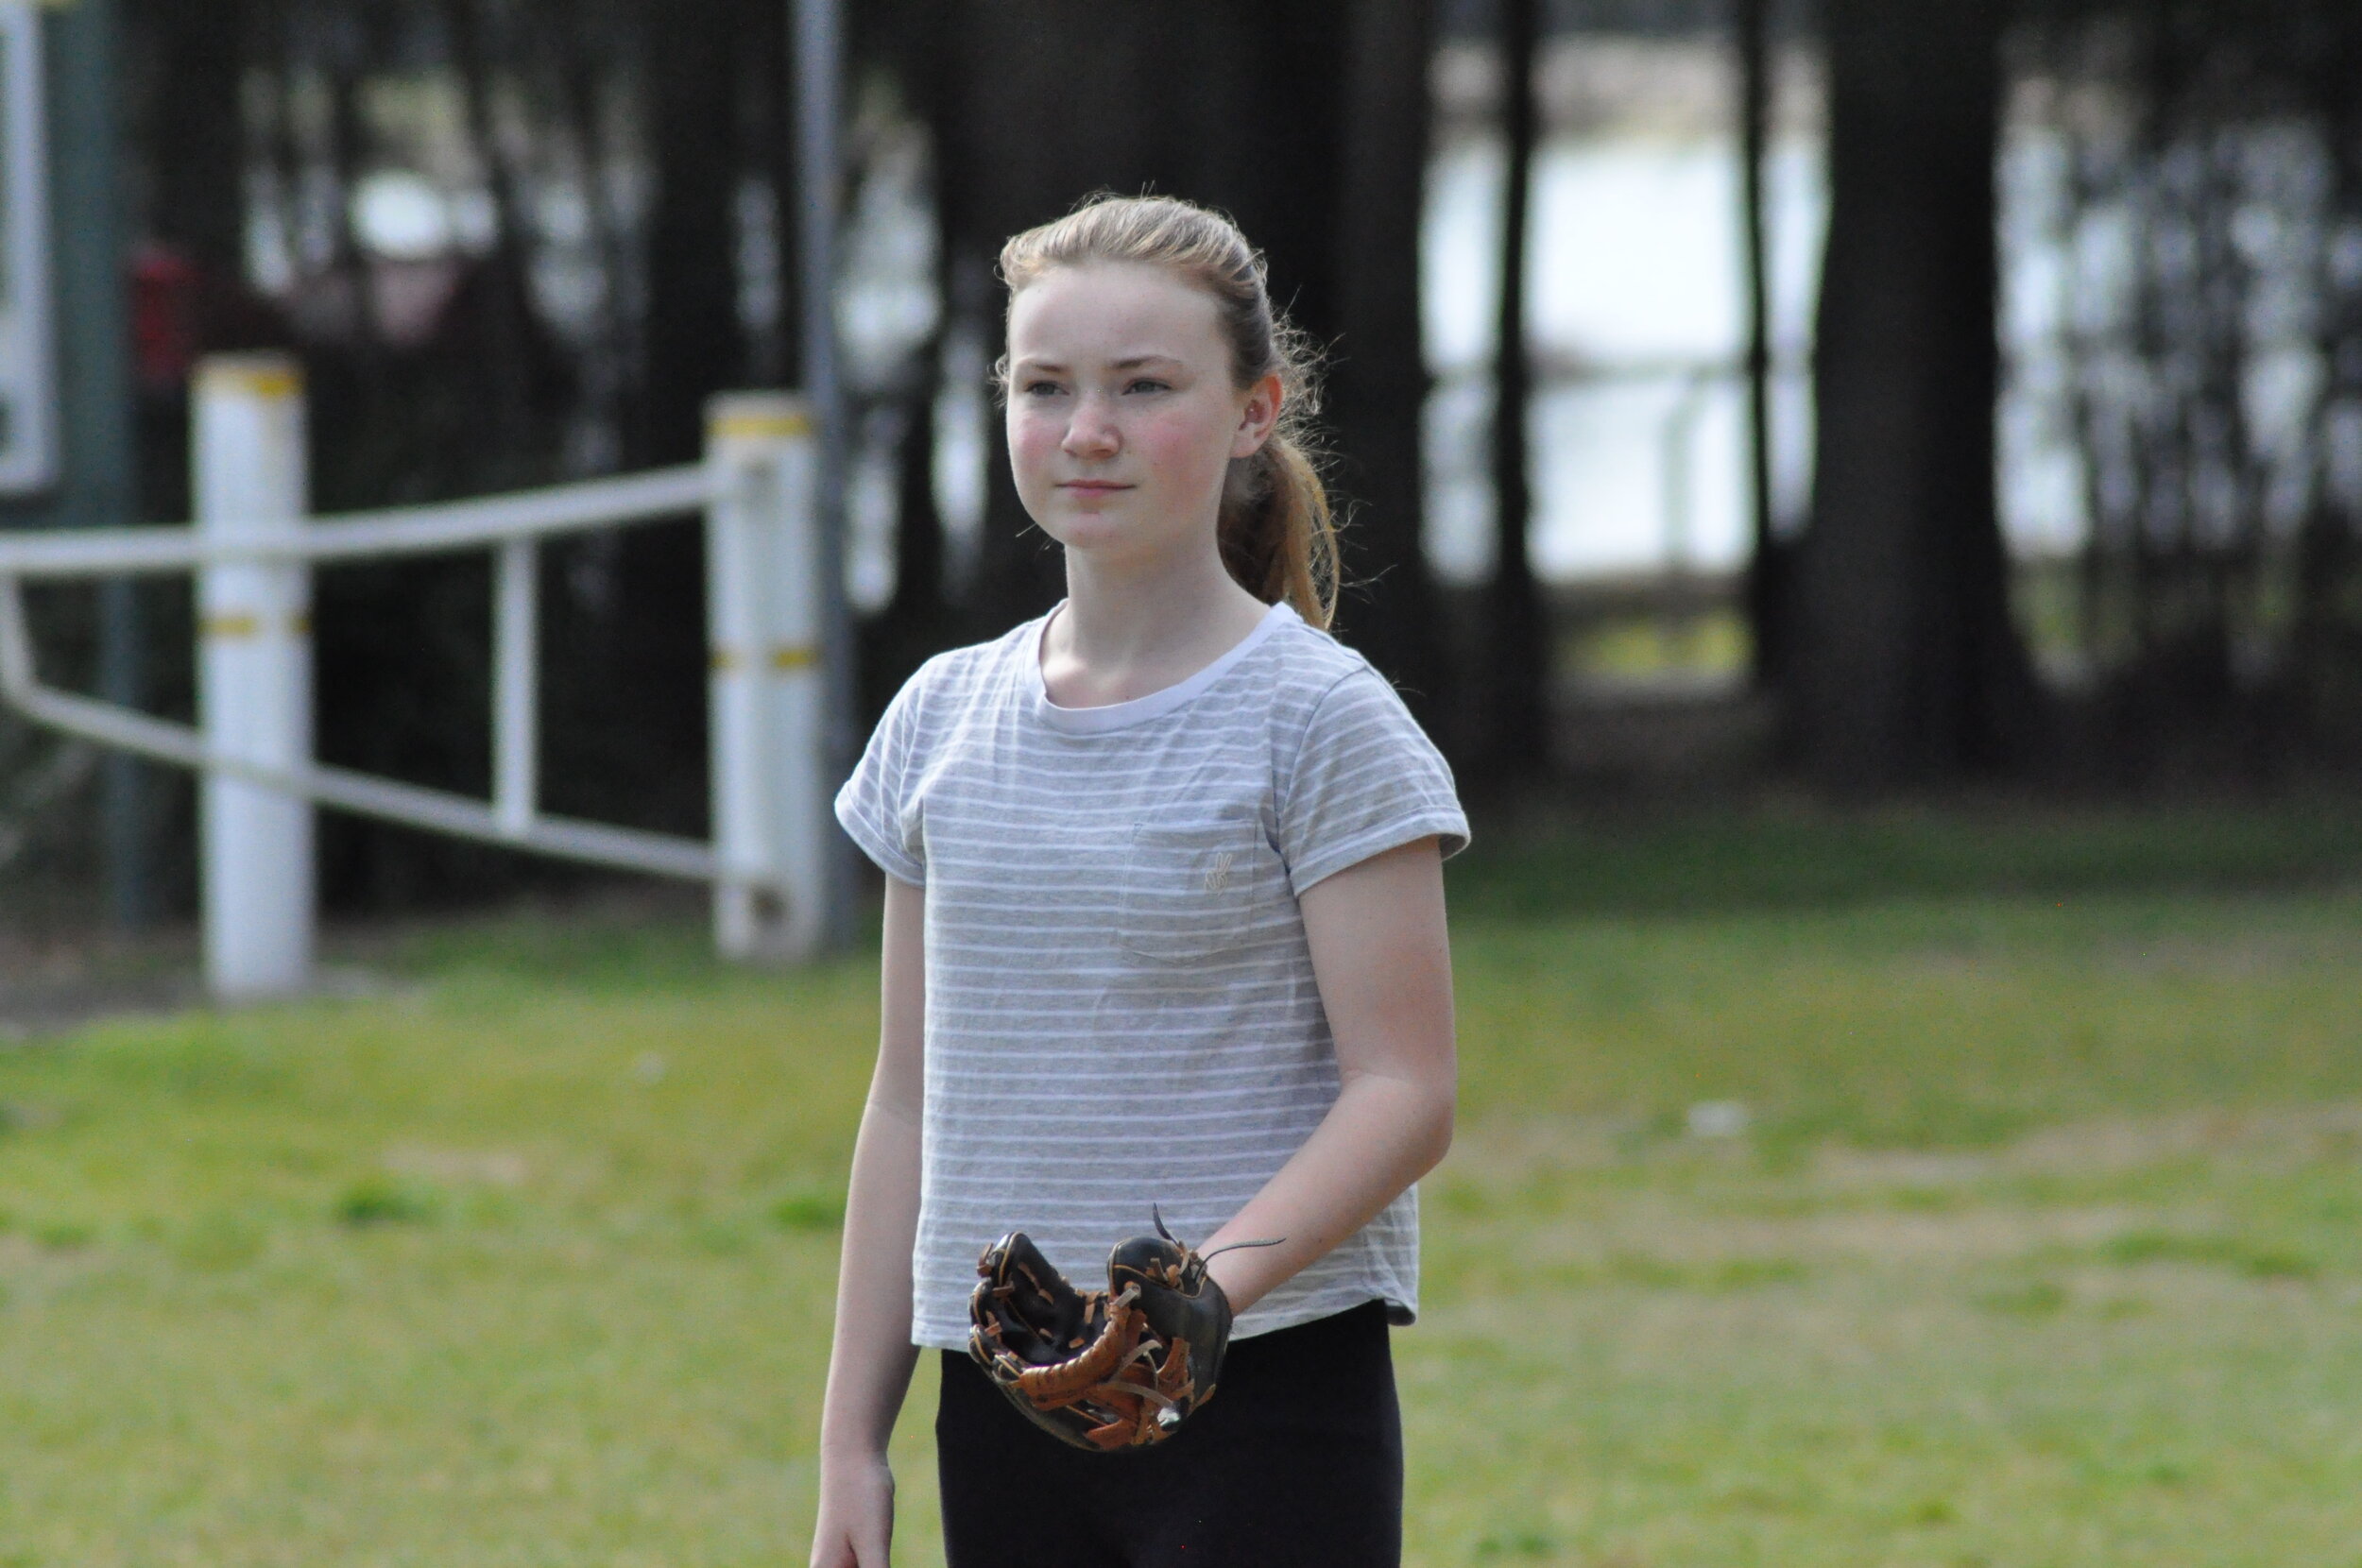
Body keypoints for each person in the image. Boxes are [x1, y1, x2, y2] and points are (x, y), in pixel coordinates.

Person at [812, 193, 1467, 1568]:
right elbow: (905, 1103)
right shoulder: (940, 718)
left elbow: (1405, 1092)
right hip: (1005, 1407)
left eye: (1144, 387)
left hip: (1270, 1400)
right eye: (1045, 387)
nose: (1086, 431)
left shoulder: (1319, 718)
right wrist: (850, 1446)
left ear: (1252, 412)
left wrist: (1198, 1305)